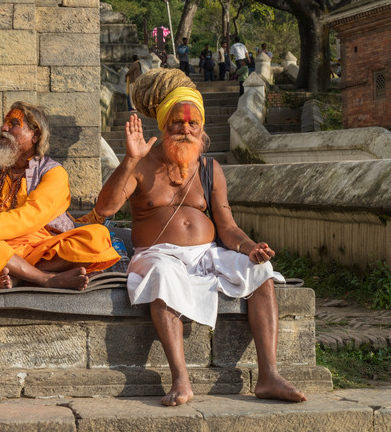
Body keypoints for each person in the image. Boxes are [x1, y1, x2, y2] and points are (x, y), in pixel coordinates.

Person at [95, 68, 307, 407]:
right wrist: (130, 159)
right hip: (157, 255)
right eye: (177, 123)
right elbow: (105, 209)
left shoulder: (210, 168)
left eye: (193, 124)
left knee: (260, 275)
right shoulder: (141, 165)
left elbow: (227, 226)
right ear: (164, 126)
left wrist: (251, 248)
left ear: (202, 129)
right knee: (162, 275)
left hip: (208, 253)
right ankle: (181, 378)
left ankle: (268, 375)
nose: (185, 129)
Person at [0, 102, 120, 295]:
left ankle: (9, 271)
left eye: (13, 123)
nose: (4, 128)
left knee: (97, 237)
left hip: (38, 247)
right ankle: (44, 278)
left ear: (35, 135)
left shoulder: (53, 173)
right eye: (4, 123)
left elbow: (33, 214)